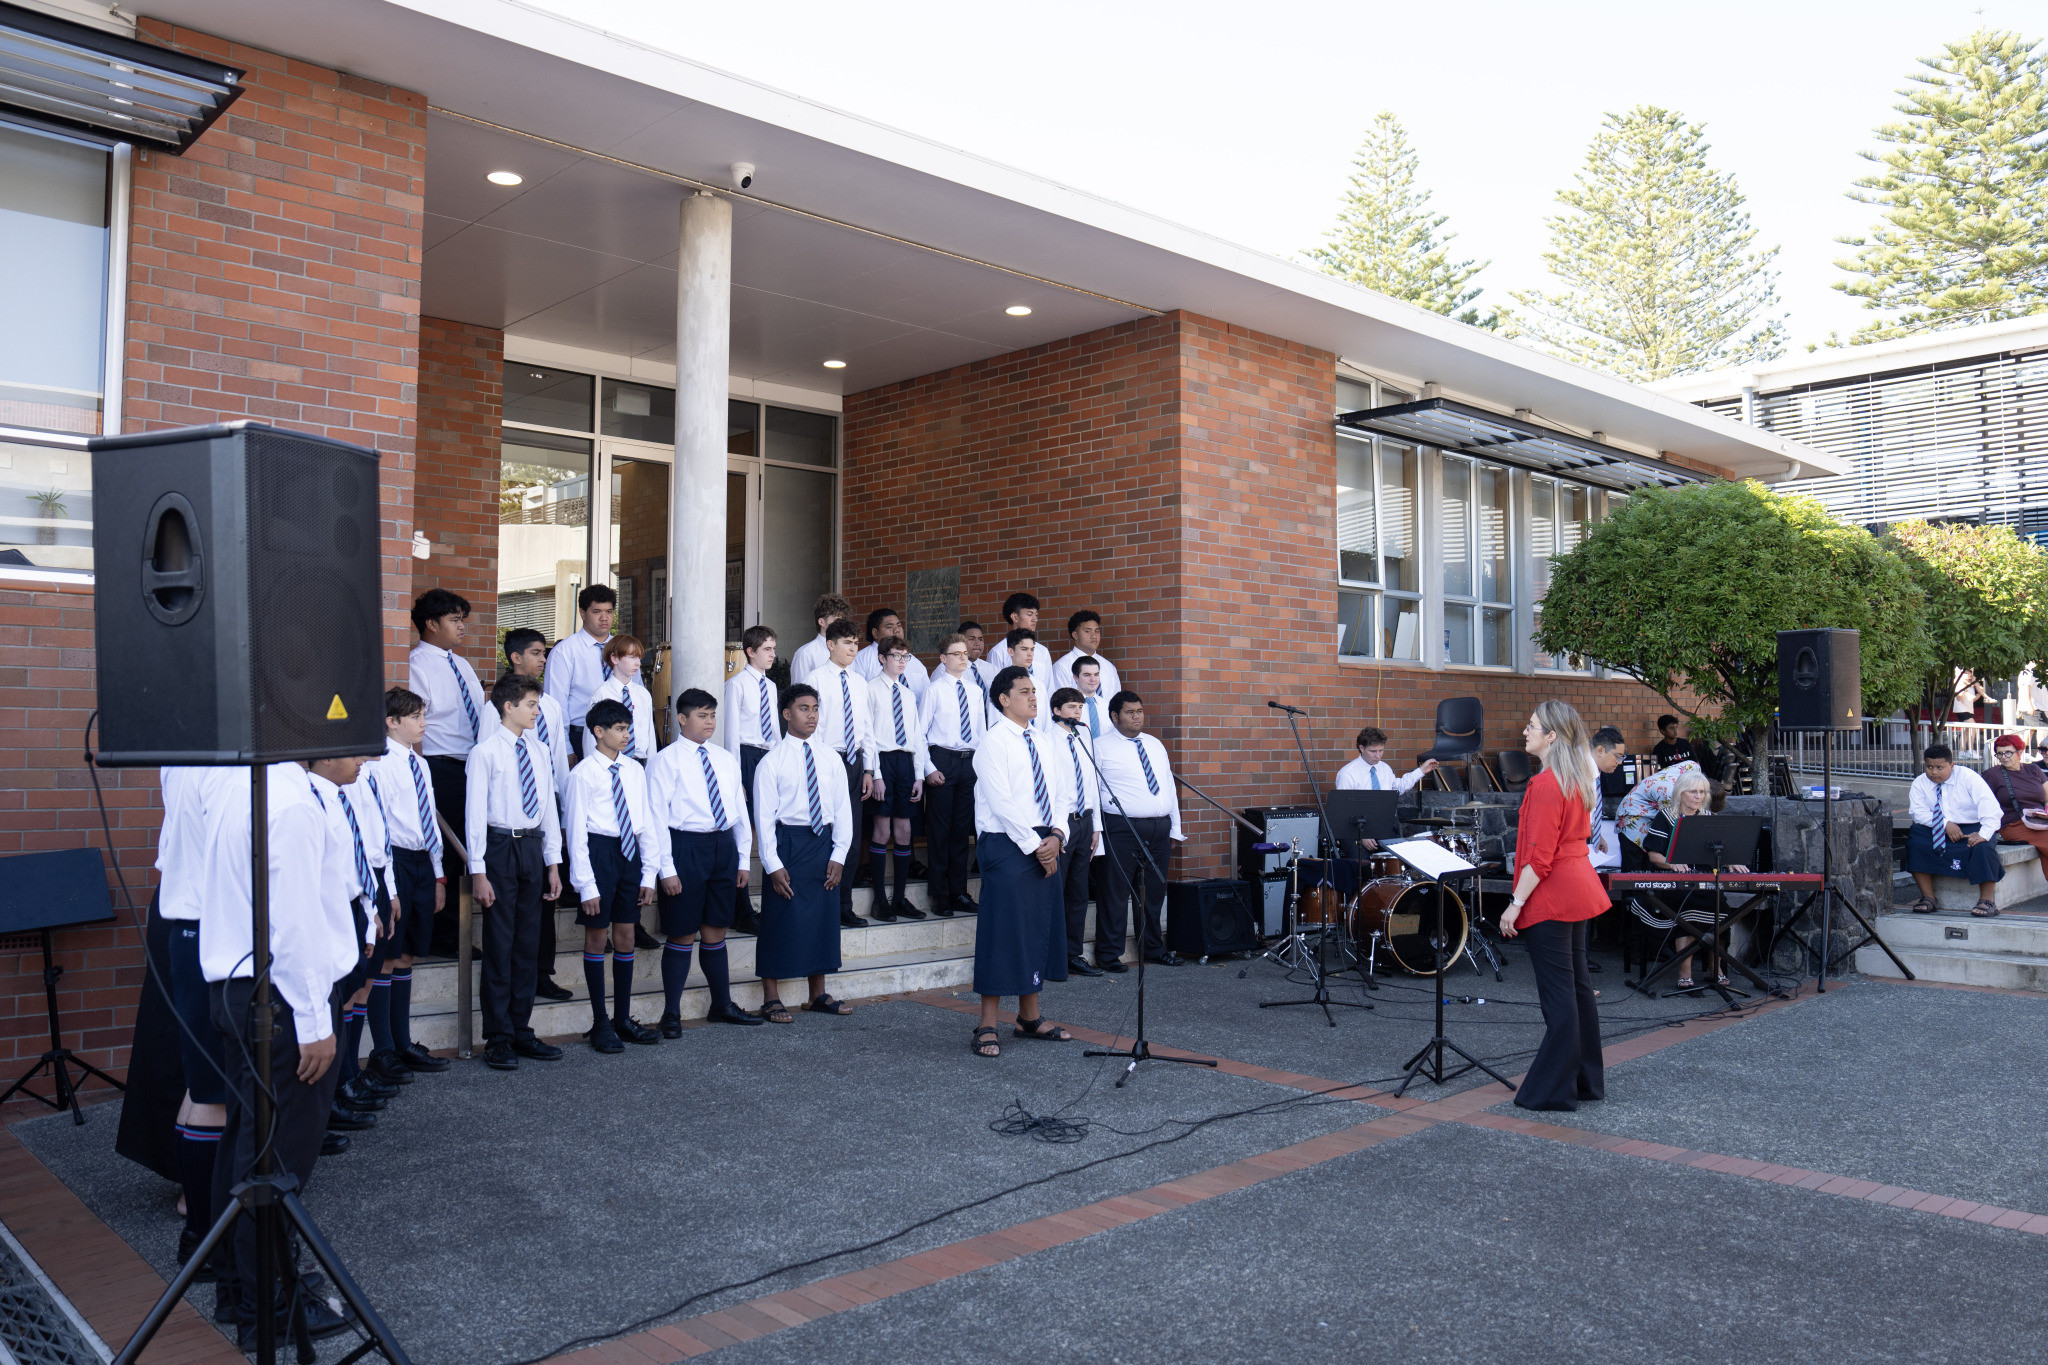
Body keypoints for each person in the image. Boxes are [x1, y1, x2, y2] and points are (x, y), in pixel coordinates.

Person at [200, 763, 359, 1347]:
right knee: (276, 1158)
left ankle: (238, 1286)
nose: (367, 754)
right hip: (283, 998)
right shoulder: (290, 803)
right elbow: (293, 924)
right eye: (352, 736)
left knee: (247, 1144)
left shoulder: (247, 782)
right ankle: (265, 1307)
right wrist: (316, 1020)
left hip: (245, 988)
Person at [1497, 701, 1607, 1113]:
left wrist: (1515, 904)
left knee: (1560, 994)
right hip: (1577, 886)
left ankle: (1553, 1090)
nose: (1525, 731)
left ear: (1552, 736)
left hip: (1553, 893)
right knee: (1577, 989)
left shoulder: (1546, 784)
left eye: (1532, 726)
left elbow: (1539, 857)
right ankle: (1584, 1082)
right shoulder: (1576, 778)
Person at [969, 665, 1075, 1058]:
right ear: (1004, 699)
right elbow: (1002, 803)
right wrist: (1037, 847)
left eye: (1034, 691)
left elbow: (1062, 793)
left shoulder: (1043, 740)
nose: (1033, 697)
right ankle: (986, 1022)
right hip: (1007, 843)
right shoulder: (993, 742)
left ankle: (1029, 1017)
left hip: (1045, 839)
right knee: (1002, 930)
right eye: (1024, 691)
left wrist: (1058, 835)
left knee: (1036, 927)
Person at [465, 673, 566, 1070]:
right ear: (508, 707)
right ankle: (498, 1036)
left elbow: (548, 808)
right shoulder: (485, 752)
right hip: (500, 847)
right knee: (500, 942)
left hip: (532, 846)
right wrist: (478, 870)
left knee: (528, 941)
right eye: (531, 704)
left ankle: (521, 1028)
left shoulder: (539, 750)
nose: (537, 711)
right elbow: (475, 814)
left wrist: (553, 863)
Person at [649, 689, 762, 1032]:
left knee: (716, 929)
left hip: (722, 847)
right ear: (682, 719)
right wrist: (666, 869)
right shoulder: (665, 760)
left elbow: (739, 810)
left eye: (712, 715)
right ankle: (671, 1013)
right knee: (682, 932)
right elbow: (656, 819)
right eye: (702, 715)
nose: (710, 721)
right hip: (685, 847)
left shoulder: (725, 758)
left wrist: (743, 859)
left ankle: (721, 1004)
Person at [156, 767, 231, 1274]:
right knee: (215, 1093)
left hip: (191, 925)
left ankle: (197, 1215)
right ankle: (203, 1239)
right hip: (208, 928)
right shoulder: (220, 770)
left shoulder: (181, 758)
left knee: (203, 1084)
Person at [752, 685, 855, 1022]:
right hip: (789, 842)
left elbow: (842, 809)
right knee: (779, 916)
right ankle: (771, 997)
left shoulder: (830, 758)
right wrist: (772, 863)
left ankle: (817, 994)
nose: (811, 715)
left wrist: (839, 853)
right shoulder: (771, 761)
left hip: (823, 841)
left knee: (823, 916)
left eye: (815, 708)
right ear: (786, 714)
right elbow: (764, 817)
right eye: (803, 708)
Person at [564, 697, 662, 1052]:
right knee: (596, 936)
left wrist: (648, 873)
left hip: (629, 852)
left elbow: (644, 820)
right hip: (599, 852)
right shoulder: (582, 774)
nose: (626, 735)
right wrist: (585, 885)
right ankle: (600, 1022)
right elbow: (575, 832)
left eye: (627, 729)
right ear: (598, 731)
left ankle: (622, 1018)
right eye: (619, 729)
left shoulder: (634, 770)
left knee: (626, 934)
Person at [362, 688, 451, 1077]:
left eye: (423, 716)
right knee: (387, 955)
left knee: (408, 952)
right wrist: (390, 887)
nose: (423, 723)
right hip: (393, 861)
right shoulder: (378, 764)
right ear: (392, 722)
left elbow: (428, 817)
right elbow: (380, 823)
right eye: (415, 717)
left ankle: (402, 1040)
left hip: (420, 861)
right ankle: (382, 1048)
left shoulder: (420, 764)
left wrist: (438, 873)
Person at [406, 587, 490, 949]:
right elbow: (415, 725)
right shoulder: (417, 664)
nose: (461, 627)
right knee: (448, 850)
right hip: (440, 767)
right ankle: (444, 934)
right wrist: (419, 775)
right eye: (454, 620)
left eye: (462, 620)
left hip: (471, 767)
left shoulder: (462, 664)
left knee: (470, 845)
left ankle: (458, 929)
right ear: (430, 623)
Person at [1621, 767, 1740, 991]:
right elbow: (1654, 855)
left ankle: (1715, 968)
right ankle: (1684, 971)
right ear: (1680, 793)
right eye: (1693, 791)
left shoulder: (1709, 819)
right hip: (1674, 883)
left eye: (1702, 792)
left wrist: (1732, 861)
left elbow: (1720, 852)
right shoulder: (1666, 817)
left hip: (1705, 883)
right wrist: (1671, 863)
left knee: (1721, 907)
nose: (1698, 796)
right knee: (1687, 907)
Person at [506, 627, 574, 1001]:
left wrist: (562, 802)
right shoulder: (500, 704)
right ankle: (517, 975)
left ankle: (542, 972)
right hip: (516, 816)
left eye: (544, 652)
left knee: (548, 896)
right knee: (519, 903)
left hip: (548, 805)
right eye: (536, 652)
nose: (542, 659)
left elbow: (559, 755)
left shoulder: (551, 705)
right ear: (516, 657)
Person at [1094, 690, 1184, 969]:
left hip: (1159, 827)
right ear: (1114, 716)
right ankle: (1109, 954)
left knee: (1153, 892)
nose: (1137, 717)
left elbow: (1168, 786)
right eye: (1130, 712)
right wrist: (1096, 831)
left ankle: (1153, 949)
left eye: (1140, 711)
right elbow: (1092, 792)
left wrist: (1175, 827)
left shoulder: (1154, 744)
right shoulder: (1100, 746)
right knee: (1116, 892)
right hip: (1121, 827)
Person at [812, 617, 876, 927]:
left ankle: (843, 904)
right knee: (826, 832)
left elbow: (866, 727)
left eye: (855, 643)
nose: (853, 648)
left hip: (854, 762)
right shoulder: (816, 679)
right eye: (846, 643)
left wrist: (869, 769)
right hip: (826, 760)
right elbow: (812, 727)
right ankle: (822, 903)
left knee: (850, 834)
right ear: (830, 645)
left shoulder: (860, 681)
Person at [920, 632, 985, 917]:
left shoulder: (975, 691)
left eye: (965, 653)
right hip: (942, 760)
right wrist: (929, 768)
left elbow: (981, 733)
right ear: (943, 658)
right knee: (940, 831)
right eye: (956, 654)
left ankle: (958, 891)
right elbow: (920, 733)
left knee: (961, 831)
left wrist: (980, 768)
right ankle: (939, 894)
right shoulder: (934, 690)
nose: (963, 658)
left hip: (968, 763)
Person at [866, 637, 930, 921]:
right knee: (882, 830)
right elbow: (868, 734)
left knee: (904, 831)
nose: (902, 662)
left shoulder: (907, 693)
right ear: (882, 658)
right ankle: (880, 900)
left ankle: (900, 898)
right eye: (896, 656)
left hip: (905, 762)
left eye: (906, 657)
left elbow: (916, 735)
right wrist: (875, 774)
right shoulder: (870, 689)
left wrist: (919, 775)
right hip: (883, 760)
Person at [721, 625, 780, 933]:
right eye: (767, 649)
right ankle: (740, 909)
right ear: (750, 651)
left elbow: (775, 732)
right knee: (743, 831)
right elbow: (731, 733)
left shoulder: (771, 686)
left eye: (773, 649)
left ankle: (769, 902)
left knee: (768, 825)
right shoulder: (737, 685)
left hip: (767, 757)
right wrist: (736, 778)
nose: (772, 655)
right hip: (744, 757)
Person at [1907, 743, 2005, 917]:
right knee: (1916, 841)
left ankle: (1987, 900)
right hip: (1938, 825)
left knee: (1983, 848)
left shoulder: (1968, 777)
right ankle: (1928, 898)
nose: (1934, 772)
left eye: (1940, 767)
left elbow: (1990, 808)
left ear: (1951, 765)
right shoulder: (1919, 783)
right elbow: (1918, 812)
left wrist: (1983, 834)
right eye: (1929, 767)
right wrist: (1945, 824)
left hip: (1972, 826)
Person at [1048, 687, 1105, 977]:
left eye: (1080, 707)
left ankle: (1074, 953)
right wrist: (1057, 829)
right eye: (1072, 707)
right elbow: (1051, 786)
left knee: (1079, 892)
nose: (1077, 712)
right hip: (1063, 822)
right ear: (1057, 711)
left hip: (1085, 820)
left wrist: (1096, 827)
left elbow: (1092, 782)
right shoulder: (1048, 740)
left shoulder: (1083, 737)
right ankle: (1053, 954)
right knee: (1057, 890)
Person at [544, 584, 616, 757]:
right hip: (581, 735)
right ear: (582, 613)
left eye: (609, 611)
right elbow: (556, 704)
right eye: (597, 612)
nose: (604, 618)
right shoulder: (565, 651)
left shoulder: (624, 649)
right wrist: (566, 749)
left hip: (621, 734)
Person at [580, 634, 655, 763]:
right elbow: (590, 739)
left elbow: (650, 734)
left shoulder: (643, 694)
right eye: (632, 657)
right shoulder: (601, 694)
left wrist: (651, 767)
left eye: (639, 658)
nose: (638, 663)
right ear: (615, 658)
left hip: (639, 762)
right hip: (609, 761)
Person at [1985, 734, 2048, 878]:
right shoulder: (1992, 775)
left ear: (2020, 752)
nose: (2004, 757)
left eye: (2008, 752)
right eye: (2000, 753)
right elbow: (1983, 804)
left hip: (2039, 820)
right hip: (2013, 824)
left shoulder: (2033, 770)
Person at [986, 592, 1053, 702]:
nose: (1035, 619)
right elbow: (995, 692)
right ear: (1015, 617)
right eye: (1030, 614)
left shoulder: (1043, 651)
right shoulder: (998, 652)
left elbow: (1049, 689)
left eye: (1036, 615)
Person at [853, 606, 932, 698]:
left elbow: (927, 697)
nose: (896, 630)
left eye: (899, 625)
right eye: (889, 627)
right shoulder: (860, 659)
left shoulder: (915, 662)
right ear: (875, 633)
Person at [1335, 726, 1439, 793]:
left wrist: (1422, 770)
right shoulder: (1347, 774)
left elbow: (1399, 786)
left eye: (1381, 750)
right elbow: (1343, 806)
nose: (1378, 756)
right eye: (1373, 751)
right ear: (1362, 748)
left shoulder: (1385, 768)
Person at [1053, 610, 1122, 700]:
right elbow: (1060, 702)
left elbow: (1116, 701)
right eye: (1088, 631)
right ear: (1075, 635)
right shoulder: (1062, 666)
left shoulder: (1109, 667)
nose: (1094, 636)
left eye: (1097, 631)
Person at [790, 593, 853, 686]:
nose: (841, 625)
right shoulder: (806, 653)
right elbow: (799, 691)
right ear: (821, 622)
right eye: (837, 620)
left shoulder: (849, 651)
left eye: (843, 620)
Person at [1588, 725, 1628, 869]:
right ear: (1600, 750)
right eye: (1617, 756)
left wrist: (1595, 835)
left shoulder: (1593, 774)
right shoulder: (1581, 775)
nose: (1620, 761)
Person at [1070, 657, 1112, 740]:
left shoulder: (1108, 706)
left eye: (1096, 674)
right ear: (1076, 678)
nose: (1093, 679)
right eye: (1087, 675)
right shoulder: (1068, 707)